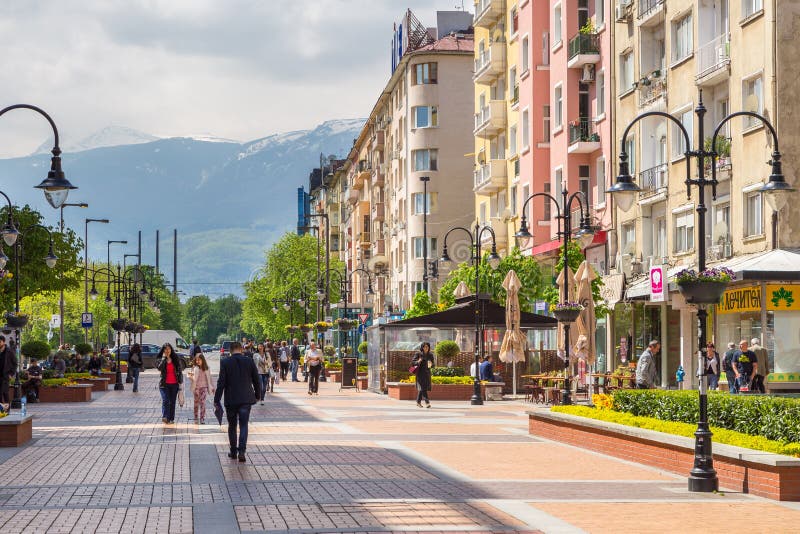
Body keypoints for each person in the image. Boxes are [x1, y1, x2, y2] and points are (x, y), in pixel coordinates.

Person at [214, 341, 260, 463]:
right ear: (241, 349)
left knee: (232, 426)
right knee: (244, 425)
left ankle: (233, 451)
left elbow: (221, 382)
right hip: (246, 398)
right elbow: (257, 379)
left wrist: (216, 399)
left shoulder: (225, 362)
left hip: (231, 399)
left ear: (230, 350)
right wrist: (258, 395)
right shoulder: (249, 361)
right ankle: (242, 451)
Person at [157, 343, 184, 424]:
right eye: (165, 349)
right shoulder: (162, 359)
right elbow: (159, 368)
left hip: (174, 384)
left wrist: (180, 382)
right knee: (166, 400)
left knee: (172, 402)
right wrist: (164, 359)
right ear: (163, 351)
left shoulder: (176, 359)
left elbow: (180, 371)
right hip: (164, 385)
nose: (167, 351)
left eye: (169, 349)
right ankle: (165, 416)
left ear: (171, 350)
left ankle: (171, 418)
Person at [190, 351, 214, 424]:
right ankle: (196, 417)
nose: (197, 361)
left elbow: (210, 378)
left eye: (199, 360)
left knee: (203, 403)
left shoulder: (207, 368)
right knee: (196, 403)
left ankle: (202, 418)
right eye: (196, 360)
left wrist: (213, 387)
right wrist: (190, 377)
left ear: (203, 360)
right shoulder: (194, 368)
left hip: (204, 388)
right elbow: (191, 376)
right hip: (196, 388)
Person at [412, 342, 434, 408]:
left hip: (427, 374)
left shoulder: (430, 355)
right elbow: (413, 362)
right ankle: (427, 402)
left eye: (427, 347)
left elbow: (433, 365)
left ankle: (418, 402)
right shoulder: (418, 354)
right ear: (422, 347)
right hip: (420, 374)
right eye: (424, 347)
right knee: (423, 388)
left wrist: (431, 364)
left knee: (422, 389)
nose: (426, 348)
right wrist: (418, 361)